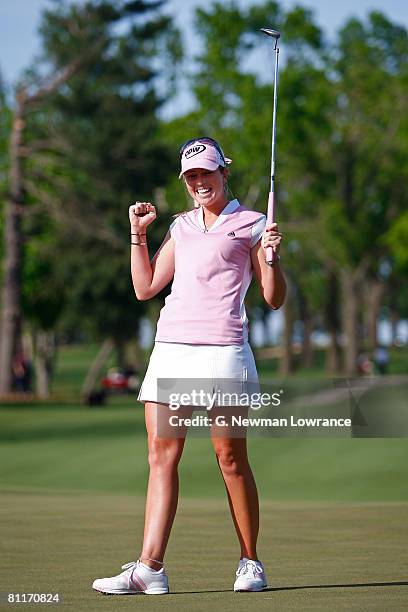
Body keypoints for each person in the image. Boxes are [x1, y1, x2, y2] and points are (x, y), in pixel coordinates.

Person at [92, 137, 286, 595]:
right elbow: (145, 287)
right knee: (161, 457)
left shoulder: (253, 224)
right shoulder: (180, 227)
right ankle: (149, 568)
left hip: (223, 350)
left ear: (224, 173)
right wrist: (138, 233)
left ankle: (250, 561)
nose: (200, 182)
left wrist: (274, 257)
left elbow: (274, 299)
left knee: (230, 458)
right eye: (191, 176)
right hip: (172, 349)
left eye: (207, 173)